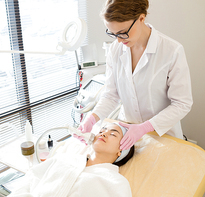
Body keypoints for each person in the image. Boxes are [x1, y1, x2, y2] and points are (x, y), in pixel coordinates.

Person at [78, 0, 193, 151]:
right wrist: (92, 119)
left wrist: (144, 128)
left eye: (123, 32)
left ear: (141, 18)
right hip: (128, 136)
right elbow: (111, 96)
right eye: (113, 34)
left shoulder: (172, 51)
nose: (119, 40)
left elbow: (182, 104)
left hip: (163, 136)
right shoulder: (115, 49)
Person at [8, 122, 134, 197]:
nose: (103, 133)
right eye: (102, 130)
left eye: (113, 134)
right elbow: (30, 179)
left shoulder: (117, 183)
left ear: (121, 150)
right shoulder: (65, 158)